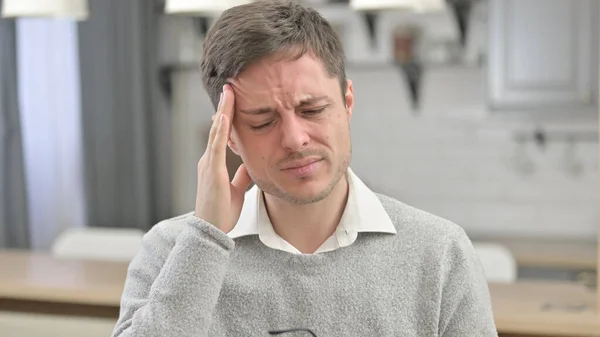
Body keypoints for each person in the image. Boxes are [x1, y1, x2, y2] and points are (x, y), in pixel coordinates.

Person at [111, 1, 498, 336]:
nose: (295, 139)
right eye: (263, 121)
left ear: (347, 103)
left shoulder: (440, 253)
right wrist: (206, 239)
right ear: (227, 134)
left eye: (312, 110)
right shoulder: (172, 250)